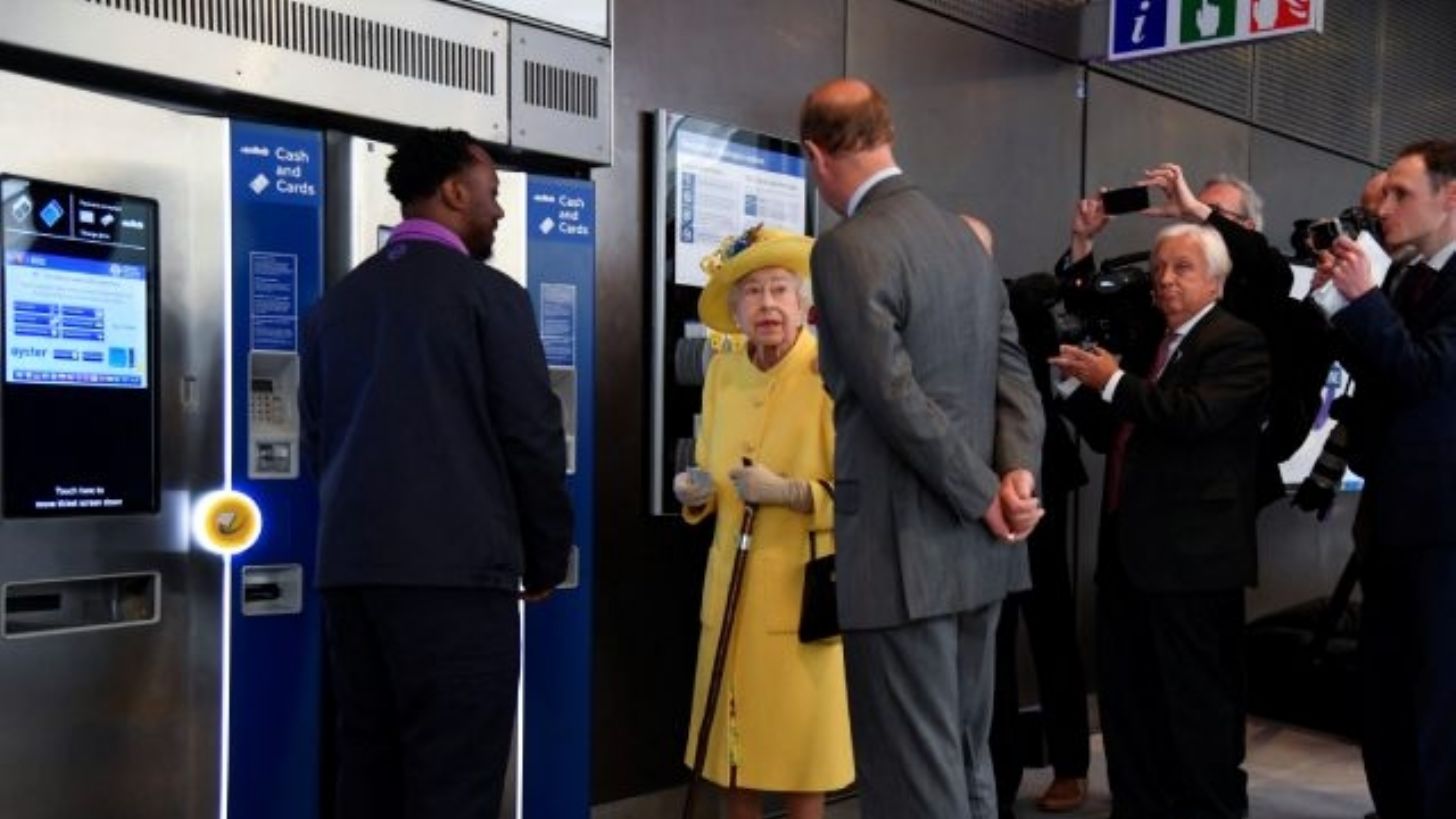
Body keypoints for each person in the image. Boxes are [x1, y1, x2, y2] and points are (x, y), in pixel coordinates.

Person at [300, 128, 572, 819]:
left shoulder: (336, 305)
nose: (498, 210)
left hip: (353, 581)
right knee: (455, 784)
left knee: (370, 774)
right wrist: (546, 555)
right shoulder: (492, 297)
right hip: (457, 583)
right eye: (492, 192)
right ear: (454, 191)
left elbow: (318, 438)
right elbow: (531, 436)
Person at [799, 77, 1046, 819]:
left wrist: (983, 493)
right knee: (967, 763)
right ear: (887, 134)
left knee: (912, 778)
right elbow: (1013, 371)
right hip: (981, 552)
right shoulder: (963, 239)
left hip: (901, 551)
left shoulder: (847, 247)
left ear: (816, 155)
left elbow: (892, 395)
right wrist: (1016, 476)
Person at [1052, 222, 1269, 819]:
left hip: (1194, 563)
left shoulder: (1237, 341)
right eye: (1159, 270)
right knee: (1129, 700)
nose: (1166, 280)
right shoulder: (1154, 341)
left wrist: (1114, 381)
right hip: (1129, 554)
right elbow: (1117, 434)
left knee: (1196, 705)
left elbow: (1192, 417)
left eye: (1182, 268)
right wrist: (1073, 388)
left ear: (1216, 283)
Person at [671, 225, 853, 819]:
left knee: (803, 764)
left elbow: (866, 495)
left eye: (780, 290)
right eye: (752, 292)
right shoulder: (723, 372)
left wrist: (795, 493)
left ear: (804, 304)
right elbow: (711, 467)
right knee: (733, 757)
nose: (767, 305)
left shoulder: (830, 372)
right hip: (729, 590)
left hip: (800, 597)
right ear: (735, 310)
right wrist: (696, 492)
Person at [1313, 139, 1456, 819]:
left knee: (1437, 698)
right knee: (1387, 690)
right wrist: (1338, 303)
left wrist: (1364, 300)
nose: (1384, 208)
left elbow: (1423, 374)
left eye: (1401, 193)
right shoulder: (1405, 278)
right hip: (1389, 517)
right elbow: (1376, 376)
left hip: (1445, 529)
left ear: (1450, 196)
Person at [1065, 166, 1326, 507]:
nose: (1199, 221)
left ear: (1247, 227)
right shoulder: (1163, 301)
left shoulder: (1262, 297)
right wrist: (1083, 240)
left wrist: (1196, 210)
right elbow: (1092, 315)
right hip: (1135, 477)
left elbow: (1269, 270)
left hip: (1214, 491)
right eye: (1195, 213)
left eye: (1214, 213)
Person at [992, 269, 1092, 817]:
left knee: (1050, 627)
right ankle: (998, 779)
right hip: (978, 492)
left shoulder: (1022, 306)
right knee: (993, 639)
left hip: (1038, 485)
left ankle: (1070, 764)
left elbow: (1033, 395)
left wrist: (1078, 254)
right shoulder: (947, 307)